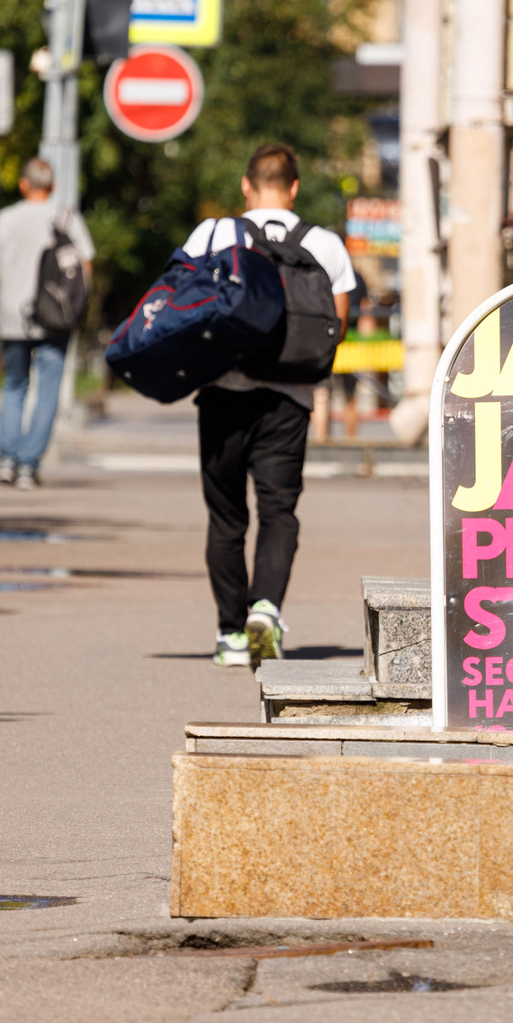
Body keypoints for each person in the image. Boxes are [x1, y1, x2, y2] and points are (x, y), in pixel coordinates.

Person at [186, 143, 355, 666]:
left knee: (226, 516)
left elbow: (182, 304)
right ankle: (266, 606)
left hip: (222, 392)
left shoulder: (214, 234)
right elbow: (337, 323)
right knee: (279, 511)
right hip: (289, 399)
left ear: (245, 185)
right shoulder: (324, 244)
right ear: (295, 187)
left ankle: (231, 635)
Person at [0, 158, 92, 490]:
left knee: (14, 386)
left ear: (23, 184)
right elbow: (85, 265)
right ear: (53, 186)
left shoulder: (5, 218)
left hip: (13, 315)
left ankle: (6, 460)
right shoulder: (66, 217)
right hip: (55, 317)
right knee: (48, 392)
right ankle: (29, 466)